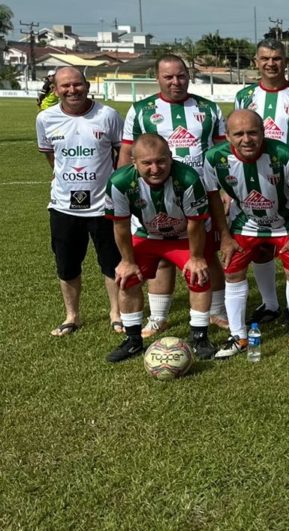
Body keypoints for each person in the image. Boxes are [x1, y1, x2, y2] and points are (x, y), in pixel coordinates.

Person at [119, 54, 227, 335]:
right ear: (158, 78)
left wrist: (226, 191)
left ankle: (216, 311)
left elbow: (222, 153)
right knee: (163, 254)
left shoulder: (209, 109)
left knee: (207, 254)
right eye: (169, 77)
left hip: (202, 194)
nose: (176, 82)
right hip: (154, 196)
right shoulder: (141, 110)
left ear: (188, 76)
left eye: (181, 76)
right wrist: (123, 189)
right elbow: (128, 153)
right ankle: (158, 316)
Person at [203, 110, 289, 358]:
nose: (246, 139)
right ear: (228, 136)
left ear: (263, 133)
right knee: (233, 271)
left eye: (252, 132)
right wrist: (226, 236)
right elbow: (213, 197)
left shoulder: (283, 154)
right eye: (238, 134)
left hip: (283, 223)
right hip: (245, 223)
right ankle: (238, 336)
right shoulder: (214, 158)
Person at [105, 134, 216, 362]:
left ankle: (199, 336)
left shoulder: (187, 178)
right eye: (147, 163)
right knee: (127, 278)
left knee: (199, 275)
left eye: (161, 161)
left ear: (171, 158)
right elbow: (121, 226)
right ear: (134, 162)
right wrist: (127, 261)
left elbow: (196, 223)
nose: (155, 169)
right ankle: (133, 340)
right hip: (148, 235)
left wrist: (195, 257)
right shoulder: (119, 182)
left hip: (184, 236)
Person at [235, 40, 289, 326]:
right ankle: (270, 303)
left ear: (286, 61)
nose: (271, 64)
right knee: (261, 244)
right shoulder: (245, 96)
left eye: (276, 58)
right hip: (252, 180)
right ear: (255, 61)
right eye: (265, 58)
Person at [35, 67, 123, 336]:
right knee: (67, 263)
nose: (72, 90)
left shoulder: (107, 115)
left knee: (112, 262)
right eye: (65, 86)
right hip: (63, 206)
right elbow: (51, 156)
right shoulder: (45, 119)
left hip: (104, 205)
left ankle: (116, 314)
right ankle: (71, 315)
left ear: (86, 85)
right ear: (55, 89)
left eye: (77, 84)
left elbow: (121, 153)